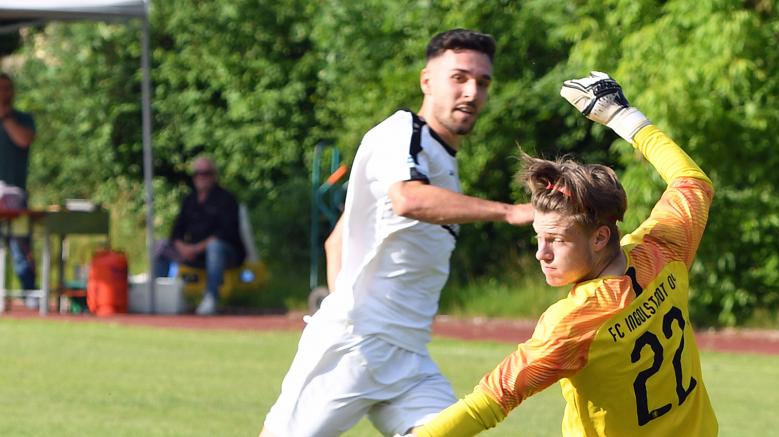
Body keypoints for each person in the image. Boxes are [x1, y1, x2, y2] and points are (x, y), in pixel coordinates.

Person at [414, 72, 719, 436]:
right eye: (538, 238)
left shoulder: (576, 322)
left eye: (555, 240)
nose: (541, 253)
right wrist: (621, 115)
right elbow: (692, 182)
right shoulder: (663, 248)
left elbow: (492, 399)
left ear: (600, 237)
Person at [261, 29, 533, 437]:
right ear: (427, 81)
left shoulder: (443, 158)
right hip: (353, 349)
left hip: (409, 360)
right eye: (459, 77)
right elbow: (408, 199)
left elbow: (336, 240)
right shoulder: (402, 132)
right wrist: (510, 212)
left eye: (482, 82)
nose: (472, 91)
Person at [157, 156, 245, 316]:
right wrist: (182, 247)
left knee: (215, 248)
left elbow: (224, 233)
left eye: (206, 173)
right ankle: (159, 294)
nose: (201, 177)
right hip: (193, 253)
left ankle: (211, 297)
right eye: (198, 173)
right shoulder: (189, 201)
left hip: (225, 254)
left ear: (214, 175)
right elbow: (176, 231)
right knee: (161, 246)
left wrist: (196, 248)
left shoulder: (226, 199)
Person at [0, 72, 38, 306]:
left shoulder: (22, 119)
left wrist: (6, 118)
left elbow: (24, 140)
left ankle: (30, 294)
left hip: (15, 198)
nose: (5, 93)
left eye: (8, 88)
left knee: (21, 248)